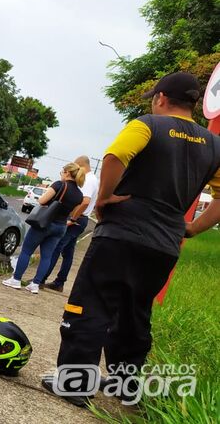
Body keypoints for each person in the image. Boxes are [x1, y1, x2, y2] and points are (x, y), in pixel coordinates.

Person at [42, 72, 220, 407]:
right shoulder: (214, 146)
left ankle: (74, 384)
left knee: (90, 305)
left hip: (122, 233)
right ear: (193, 104)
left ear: (161, 98)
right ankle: (125, 385)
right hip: (165, 244)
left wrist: (104, 198)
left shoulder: (148, 124)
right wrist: (193, 228)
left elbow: (115, 157)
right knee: (134, 312)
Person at [2, 163, 85, 294]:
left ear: (68, 173)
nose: (61, 174)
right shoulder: (79, 194)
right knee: (47, 256)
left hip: (45, 223)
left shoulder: (59, 185)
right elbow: (72, 211)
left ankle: (16, 279)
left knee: (26, 251)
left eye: (62, 171)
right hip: (61, 226)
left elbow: (41, 201)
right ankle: (35, 284)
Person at [42, 156, 100, 292]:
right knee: (68, 252)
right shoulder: (94, 179)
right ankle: (59, 282)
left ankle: (41, 279)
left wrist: (73, 218)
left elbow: (85, 201)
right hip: (81, 220)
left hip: (77, 220)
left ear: (81, 165)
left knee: (56, 247)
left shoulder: (89, 180)